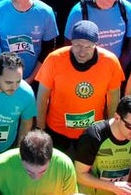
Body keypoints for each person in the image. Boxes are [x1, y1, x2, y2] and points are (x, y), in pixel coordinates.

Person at [34, 19, 123, 154]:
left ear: (96, 45)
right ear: (71, 42)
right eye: (77, 45)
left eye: (88, 47)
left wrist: (112, 129)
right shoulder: (54, 59)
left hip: (92, 131)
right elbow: (42, 97)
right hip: (57, 129)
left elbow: (114, 99)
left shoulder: (110, 62)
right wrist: (40, 129)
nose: (82, 52)